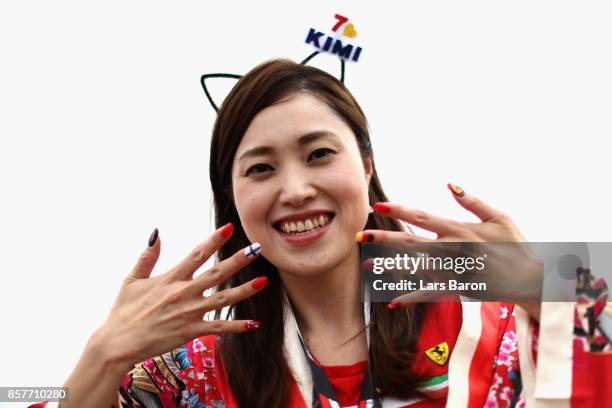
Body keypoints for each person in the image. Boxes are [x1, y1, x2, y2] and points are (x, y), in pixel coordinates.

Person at [39, 59, 610, 408]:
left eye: (318, 154)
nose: (294, 191)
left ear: (365, 165)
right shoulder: (193, 371)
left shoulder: (484, 322)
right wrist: (102, 355)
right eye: (260, 168)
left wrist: (545, 287)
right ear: (232, 199)